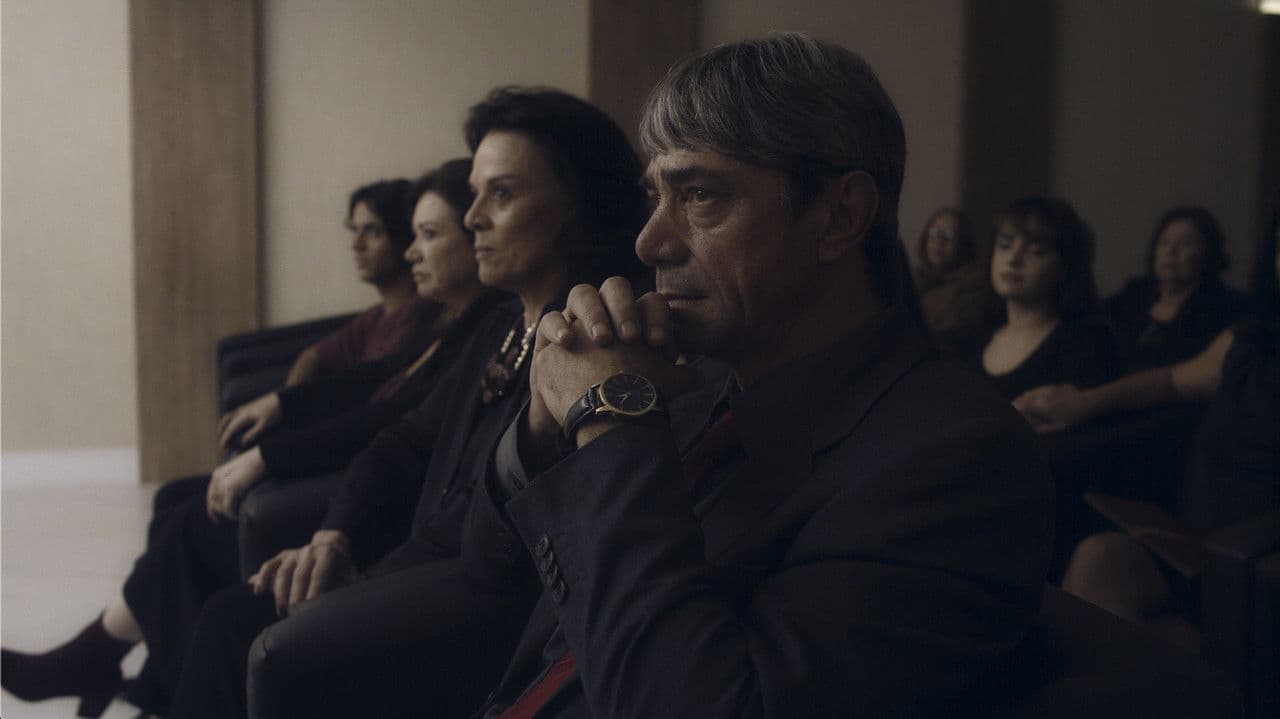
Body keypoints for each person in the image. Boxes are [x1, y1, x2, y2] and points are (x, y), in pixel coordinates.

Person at [465, 33, 1053, 718]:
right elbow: (488, 568)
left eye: (700, 195)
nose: (649, 242)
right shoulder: (691, 379)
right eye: (656, 196)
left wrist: (609, 418)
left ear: (839, 217)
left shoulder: (958, 460)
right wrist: (545, 424)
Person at [166, 87, 650, 719]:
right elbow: (402, 442)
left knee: (241, 628)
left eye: (501, 194)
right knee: (235, 613)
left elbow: (502, 545)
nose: (473, 217)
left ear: (578, 207)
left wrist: (365, 582)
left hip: (487, 615)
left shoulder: (592, 340)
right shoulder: (498, 324)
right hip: (417, 566)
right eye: (474, 194)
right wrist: (334, 538)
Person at [0, 163, 491, 718]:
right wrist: (282, 405)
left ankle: (106, 665)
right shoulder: (451, 324)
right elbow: (368, 391)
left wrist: (284, 469)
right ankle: (140, 680)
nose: (408, 252)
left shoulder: (467, 325)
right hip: (358, 494)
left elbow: (388, 421)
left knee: (191, 533)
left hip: (379, 517)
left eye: (426, 234)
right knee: (178, 514)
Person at [1049, 196, 1279, 649]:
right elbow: (1170, 381)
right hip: (1191, 539)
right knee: (1098, 558)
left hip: (1257, 561)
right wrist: (1083, 403)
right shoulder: (1252, 339)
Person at [219, 179, 440, 450]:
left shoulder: (418, 317)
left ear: (402, 238)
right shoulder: (377, 316)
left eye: (372, 231)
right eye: (354, 230)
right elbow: (311, 357)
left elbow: (374, 410)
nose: (356, 244)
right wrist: (283, 406)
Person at [979, 196, 1120, 400]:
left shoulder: (1086, 343)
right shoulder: (974, 338)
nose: (1013, 259)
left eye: (1036, 251)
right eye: (1004, 245)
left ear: (1064, 266)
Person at [1105, 206, 1245, 371]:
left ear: (1208, 252)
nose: (1171, 252)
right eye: (1164, 242)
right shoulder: (1132, 296)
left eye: (1186, 244)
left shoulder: (1224, 310)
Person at [912, 207, 989, 356]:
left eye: (948, 235)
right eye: (934, 233)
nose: (939, 241)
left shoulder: (974, 285)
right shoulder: (914, 276)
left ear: (963, 243)